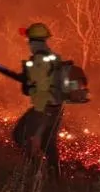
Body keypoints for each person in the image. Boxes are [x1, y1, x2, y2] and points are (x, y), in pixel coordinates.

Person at [12, 22, 64, 178]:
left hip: (43, 107)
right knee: (48, 144)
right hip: (56, 106)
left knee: (20, 134)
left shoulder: (39, 59)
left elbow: (36, 87)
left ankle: (34, 171)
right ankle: (55, 178)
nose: (28, 44)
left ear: (34, 41)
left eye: (29, 40)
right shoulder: (52, 56)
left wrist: (28, 84)